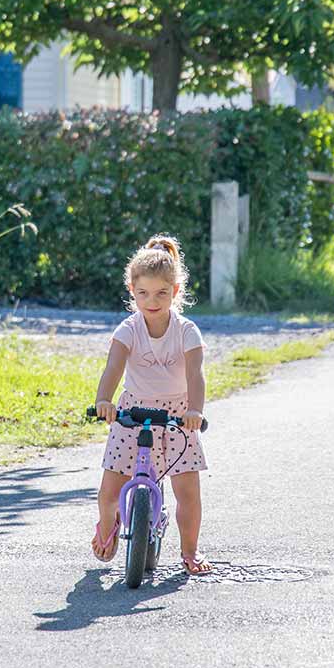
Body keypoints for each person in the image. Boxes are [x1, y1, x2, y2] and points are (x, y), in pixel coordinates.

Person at [91, 234, 212, 575]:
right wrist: (104, 400)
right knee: (110, 487)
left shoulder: (187, 331)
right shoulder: (128, 329)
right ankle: (107, 524)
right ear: (132, 290)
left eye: (161, 293)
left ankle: (190, 551)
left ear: (175, 292)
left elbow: (196, 375)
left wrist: (195, 411)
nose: (152, 300)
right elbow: (113, 368)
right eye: (143, 293)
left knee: (187, 491)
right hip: (133, 413)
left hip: (178, 416)